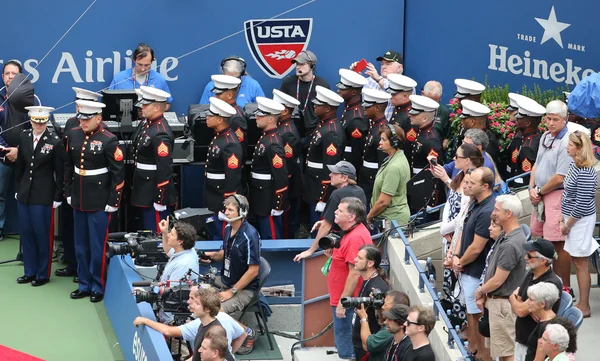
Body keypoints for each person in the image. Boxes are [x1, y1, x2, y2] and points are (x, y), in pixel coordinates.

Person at [65, 100, 125, 302]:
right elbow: (68, 166)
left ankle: (98, 286)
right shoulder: (73, 134)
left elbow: (118, 174)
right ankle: (83, 284)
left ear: (98, 118)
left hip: (99, 200)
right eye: (81, 118)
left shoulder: (109, 140)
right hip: (79, 198)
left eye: (87, 119)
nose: (83, 122)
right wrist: (68, 191)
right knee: (80, 245)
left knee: (97, 246)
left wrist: (113, 200)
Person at [432, 143, 483, 330]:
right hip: (448, 237)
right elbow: (449, 204)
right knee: (449, 285)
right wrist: (444, 231)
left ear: (468, 160)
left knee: (459, 287)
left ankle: (463, 329)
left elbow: (464, 213)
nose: (454, 160)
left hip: (458, 238)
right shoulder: (460, 176)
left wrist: (447, 231)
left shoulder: (473, 180)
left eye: (458, 157)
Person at [56, 87, 103, 281]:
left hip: (92, 189)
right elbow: (66, 157)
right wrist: (65, 186)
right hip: (73, 184)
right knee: (69, 226)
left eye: (82, 106)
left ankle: (89, 272)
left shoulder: (102, 130)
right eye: (77, 105)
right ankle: (72, 263)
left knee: (90, 234)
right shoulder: (70, 124)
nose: (78, 110)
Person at [14, 106, 63, 286]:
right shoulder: (24, 137)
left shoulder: (54, 141)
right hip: (25, 194)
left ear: (46, 121)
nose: (38, 125)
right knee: (26, 234)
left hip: (43, 195)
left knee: (42, 234)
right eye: (35, 121)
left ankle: (42, 274)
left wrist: (58, 196)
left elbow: (60, 171)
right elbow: (20, 166)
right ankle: (29, 271)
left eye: (42, 122)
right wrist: (18, 188)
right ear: (31, 120)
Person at [475, 195, 527, 361]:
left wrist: (480, 291)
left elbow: (498, 280)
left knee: (507, 354)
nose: (493, 213)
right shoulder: (505, 236)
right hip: (497, 303)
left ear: (509, 213)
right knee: (502, 353)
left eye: (497, 210)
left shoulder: (511, 243)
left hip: (503, 306)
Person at [528, 100, 571, 295]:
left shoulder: (567, 141)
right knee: (542, 239)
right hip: (541, 193)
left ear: (564, 120)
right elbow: (536, 165)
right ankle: (548, 284)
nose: (550, 123)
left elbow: (559, 177)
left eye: (555, 119)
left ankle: (564, 288)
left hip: (556, 195)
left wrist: (540, 191)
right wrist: (531, 188)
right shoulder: (545, 136)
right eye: (548, 118)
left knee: (558, 243)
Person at [452, 166, 495, 360]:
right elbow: (462, 232)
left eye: (472, 183)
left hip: (477, 272)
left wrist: (459, 261)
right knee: (471, 314)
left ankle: (482, 355)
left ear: (485, 186)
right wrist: (454, 256)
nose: (467, 185)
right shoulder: (475, 203)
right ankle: (474, 350)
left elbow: (477, 247)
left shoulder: (487, 209)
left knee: (478, 317)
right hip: (467, 269)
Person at [134, 286, 245, 361]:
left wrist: (145, 320)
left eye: (196, 303)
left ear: (207, 309)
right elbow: (197, 356)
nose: (190, 304)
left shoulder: (213, 333)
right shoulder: (203, 324)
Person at [328, 197, 373, 360]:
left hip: (347, 301)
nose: (335, 211)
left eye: (340, 210)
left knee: (349, 351)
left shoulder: (355, 238)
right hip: (345, 298)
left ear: (351, 217)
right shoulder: (352, 232)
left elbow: (354, 273)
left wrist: (343, 302)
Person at [293, 161, 366, 261]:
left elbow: (326, 226)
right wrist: (325, 221)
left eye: (334, 173)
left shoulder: (337, 194)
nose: (330, 174)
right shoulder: (360, 191)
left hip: (343, 244)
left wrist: (310, 250)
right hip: (359, 240)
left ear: (344, 178)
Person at [559, 131, 598, 317]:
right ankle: (582, 303)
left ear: (580, 148)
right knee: (576, 259)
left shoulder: (586, 171)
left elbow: (582, 203)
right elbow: (568, 194)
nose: (567, 147)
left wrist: (567, 224)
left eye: (571, 145)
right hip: (571, 218)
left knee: (581, 261)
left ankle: (584, 305)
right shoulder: (574, 165)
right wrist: (562, 217)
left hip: (580, 221)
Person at [203, 195, 260, 314]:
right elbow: (226, 253)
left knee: (216, 312)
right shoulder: (228, 229)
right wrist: (212, 255)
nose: (226, 212)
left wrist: (231, 291)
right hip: (226, 281)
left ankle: (247, 332)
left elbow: (253, 271)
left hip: (244, 289)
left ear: (242, 212)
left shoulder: (250, 235)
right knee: (196, 294)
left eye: (230, 210)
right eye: (226, 209)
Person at [0, 61, 37, 240]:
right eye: (7, 73)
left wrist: (19, 150)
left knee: (27, 197)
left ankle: (28, 234)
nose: (10, 77)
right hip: (2, 156)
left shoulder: (32, 101)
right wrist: (6, 150)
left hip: (25, 157)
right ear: (2, 77)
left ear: (21, 78)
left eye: (14, 74)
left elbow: (36, 131)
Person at [131, 86, 176, 232]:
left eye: (145, 105)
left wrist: (160, 197)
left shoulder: (160, 132)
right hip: (144, 186)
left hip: (153, 190)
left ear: (157, 107)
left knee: (156, 232)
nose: (141, 107)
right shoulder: (147, 125)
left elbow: (164, 167)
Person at [509, 238, 562, 361]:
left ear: (543, 260)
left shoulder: (550, 283)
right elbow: (520, 301)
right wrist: (517, 300)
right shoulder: (531, 273)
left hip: (534, 344)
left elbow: (520, 311)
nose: (525, 258)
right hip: (522, 338)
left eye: (529, 255)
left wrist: (512, 298)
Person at [303, 85, 345, 227]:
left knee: (319, 228)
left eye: (318, 104)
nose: (314, 106)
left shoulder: (331, 131)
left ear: (327, 109)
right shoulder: (324, 125)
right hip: (313, 184)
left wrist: (323, 197)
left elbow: (330, 168)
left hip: (319, 190)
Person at [204, 97, 244, 240]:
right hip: (214, 194)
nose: (206, 117)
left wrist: (226, 205)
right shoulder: (219, 137)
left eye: (210, 115)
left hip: (222, 195)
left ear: (220, 119)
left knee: (223, 236)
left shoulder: (230, 143)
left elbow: (232, 176)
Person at [249, 97, 289, 239]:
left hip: (268, 198)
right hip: (260, 193)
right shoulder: (266, 137)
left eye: (261, 115)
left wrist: (278, 203)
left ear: (271, 119)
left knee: (270, 234)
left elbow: (281, 175)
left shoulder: (273, 143)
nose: (256, 117)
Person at [154, 218, 199, 323]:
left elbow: (169, 293)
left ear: (180, 241)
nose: (169, 235)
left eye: (172, 234)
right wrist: (164, 233)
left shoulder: (183, 265)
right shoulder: (186, 250)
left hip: (170, 318)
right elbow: (169, 251)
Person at [351, 245, 391, 361]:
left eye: (359, 258)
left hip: (370, 350)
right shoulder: (367, 281)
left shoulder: (378, 287)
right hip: (360, 346)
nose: (355, 260)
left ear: (370, 263)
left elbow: (383, 319)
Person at [366, 124, 410, 227]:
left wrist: (369, 217)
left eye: (384, 140)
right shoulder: (395, 158)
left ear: (395, 142)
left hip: (392, 221)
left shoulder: (394, 167)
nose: (380, 142)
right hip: (390, 219)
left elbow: (383, 202)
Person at [279, 50, 330, 138]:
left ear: (312, 65)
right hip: (291, 132)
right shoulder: (288, 83)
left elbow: (328, 112)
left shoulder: (322, 85)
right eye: (297, 64)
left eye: (302, 64)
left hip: (314, 132)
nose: (298, 67)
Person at [273, 89, 303, 238]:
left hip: (289, 184)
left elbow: (289, 162)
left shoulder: (288, 131)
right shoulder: (281, 127)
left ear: (284, 110)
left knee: (286, 221)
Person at [109, 43, 173, 107]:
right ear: (134, 60)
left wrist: (153, 111)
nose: (143, 69)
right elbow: (109, 102)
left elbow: (167, 105)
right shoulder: (119, 78)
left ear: (151, 62)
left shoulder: (159, 79)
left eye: (147, 65)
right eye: (139, 64)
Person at [358, 88, 391, 205]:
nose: (364, 108)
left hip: (373, 180)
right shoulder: (375, 126)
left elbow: (383, 163)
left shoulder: (383, 131)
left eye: (367, 107)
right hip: (367, 177)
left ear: (377, 108)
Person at [356, 290, 411, 361]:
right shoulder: (394, 324)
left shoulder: (390, 330)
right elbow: (381, 322)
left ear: (396, 308)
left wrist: (363, 318)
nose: (382, 306)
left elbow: (367, 345)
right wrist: (377, 305)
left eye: (385, 304)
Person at [351, 50, 404, 120]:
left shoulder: (405, 85)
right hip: (367, 126)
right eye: (382, 64)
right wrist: (353, 76)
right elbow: (352, 91)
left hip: (388, 128)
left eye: (388, 64)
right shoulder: (371, 80)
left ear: (399, 68)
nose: (383, 67)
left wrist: (378, 79)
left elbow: (393, 88)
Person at [503, 95, 544, 185]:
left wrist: (514, 186)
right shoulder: (533, 135)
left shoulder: (527, 148)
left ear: (527, 123)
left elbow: (525, 176)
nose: (516, 120)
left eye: (519, 119)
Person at [199, 56, 264, 108]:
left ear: (242, 73)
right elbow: (203, 110)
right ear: (222, 72)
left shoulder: (254, 85)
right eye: (228, 78)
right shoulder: (211, 86)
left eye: (235, 78)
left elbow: (263, 111)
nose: (231, 82)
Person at [336, 68, 368, 173]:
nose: (338, 90)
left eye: (343, 89)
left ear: (354, 92)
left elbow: (357, 153)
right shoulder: (349, 109)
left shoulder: (356, 118)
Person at [210, 74, 249, 159]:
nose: (215, 97)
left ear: (229, 95)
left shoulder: (236, 118)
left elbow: (239, 149)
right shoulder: (226, 113)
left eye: (218, 94)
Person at [523, 282, 560, 361]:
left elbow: (538, 359)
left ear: (542, 304)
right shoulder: (552, 320)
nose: (527, 302)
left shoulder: (545, 329)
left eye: (531, 299)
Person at [422, 81, 451, 148]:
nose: (433, 105)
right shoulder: (415, 108)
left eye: (436, 101)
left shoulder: (444, 112)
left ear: (440, 97)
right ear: (423, 94)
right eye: (430, 101)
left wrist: (444, 143)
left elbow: (447, 136)